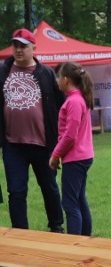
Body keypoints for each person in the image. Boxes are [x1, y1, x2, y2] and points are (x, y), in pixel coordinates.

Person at [0, 28, 65, 232]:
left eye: (23, 46)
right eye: (16, 46)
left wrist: (60, 140)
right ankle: (20, 233)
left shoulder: (46, 73)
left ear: (33, 48)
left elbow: (61, 106)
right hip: (13, 144)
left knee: (50, 188)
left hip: (42, 143)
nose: (19, 50)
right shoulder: (2, 71)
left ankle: (56, 228)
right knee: (16, 192)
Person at [48, 62, 94, 236]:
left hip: (76, 158)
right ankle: (85, 239)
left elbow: (70, 135)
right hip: (81, 156)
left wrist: (55, 155)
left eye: (58, 77)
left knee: (69, 204)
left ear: (65, 80)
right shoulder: (77, 98)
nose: (57, 80)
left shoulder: (74, 101)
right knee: (79, 199)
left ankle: (74, 245)